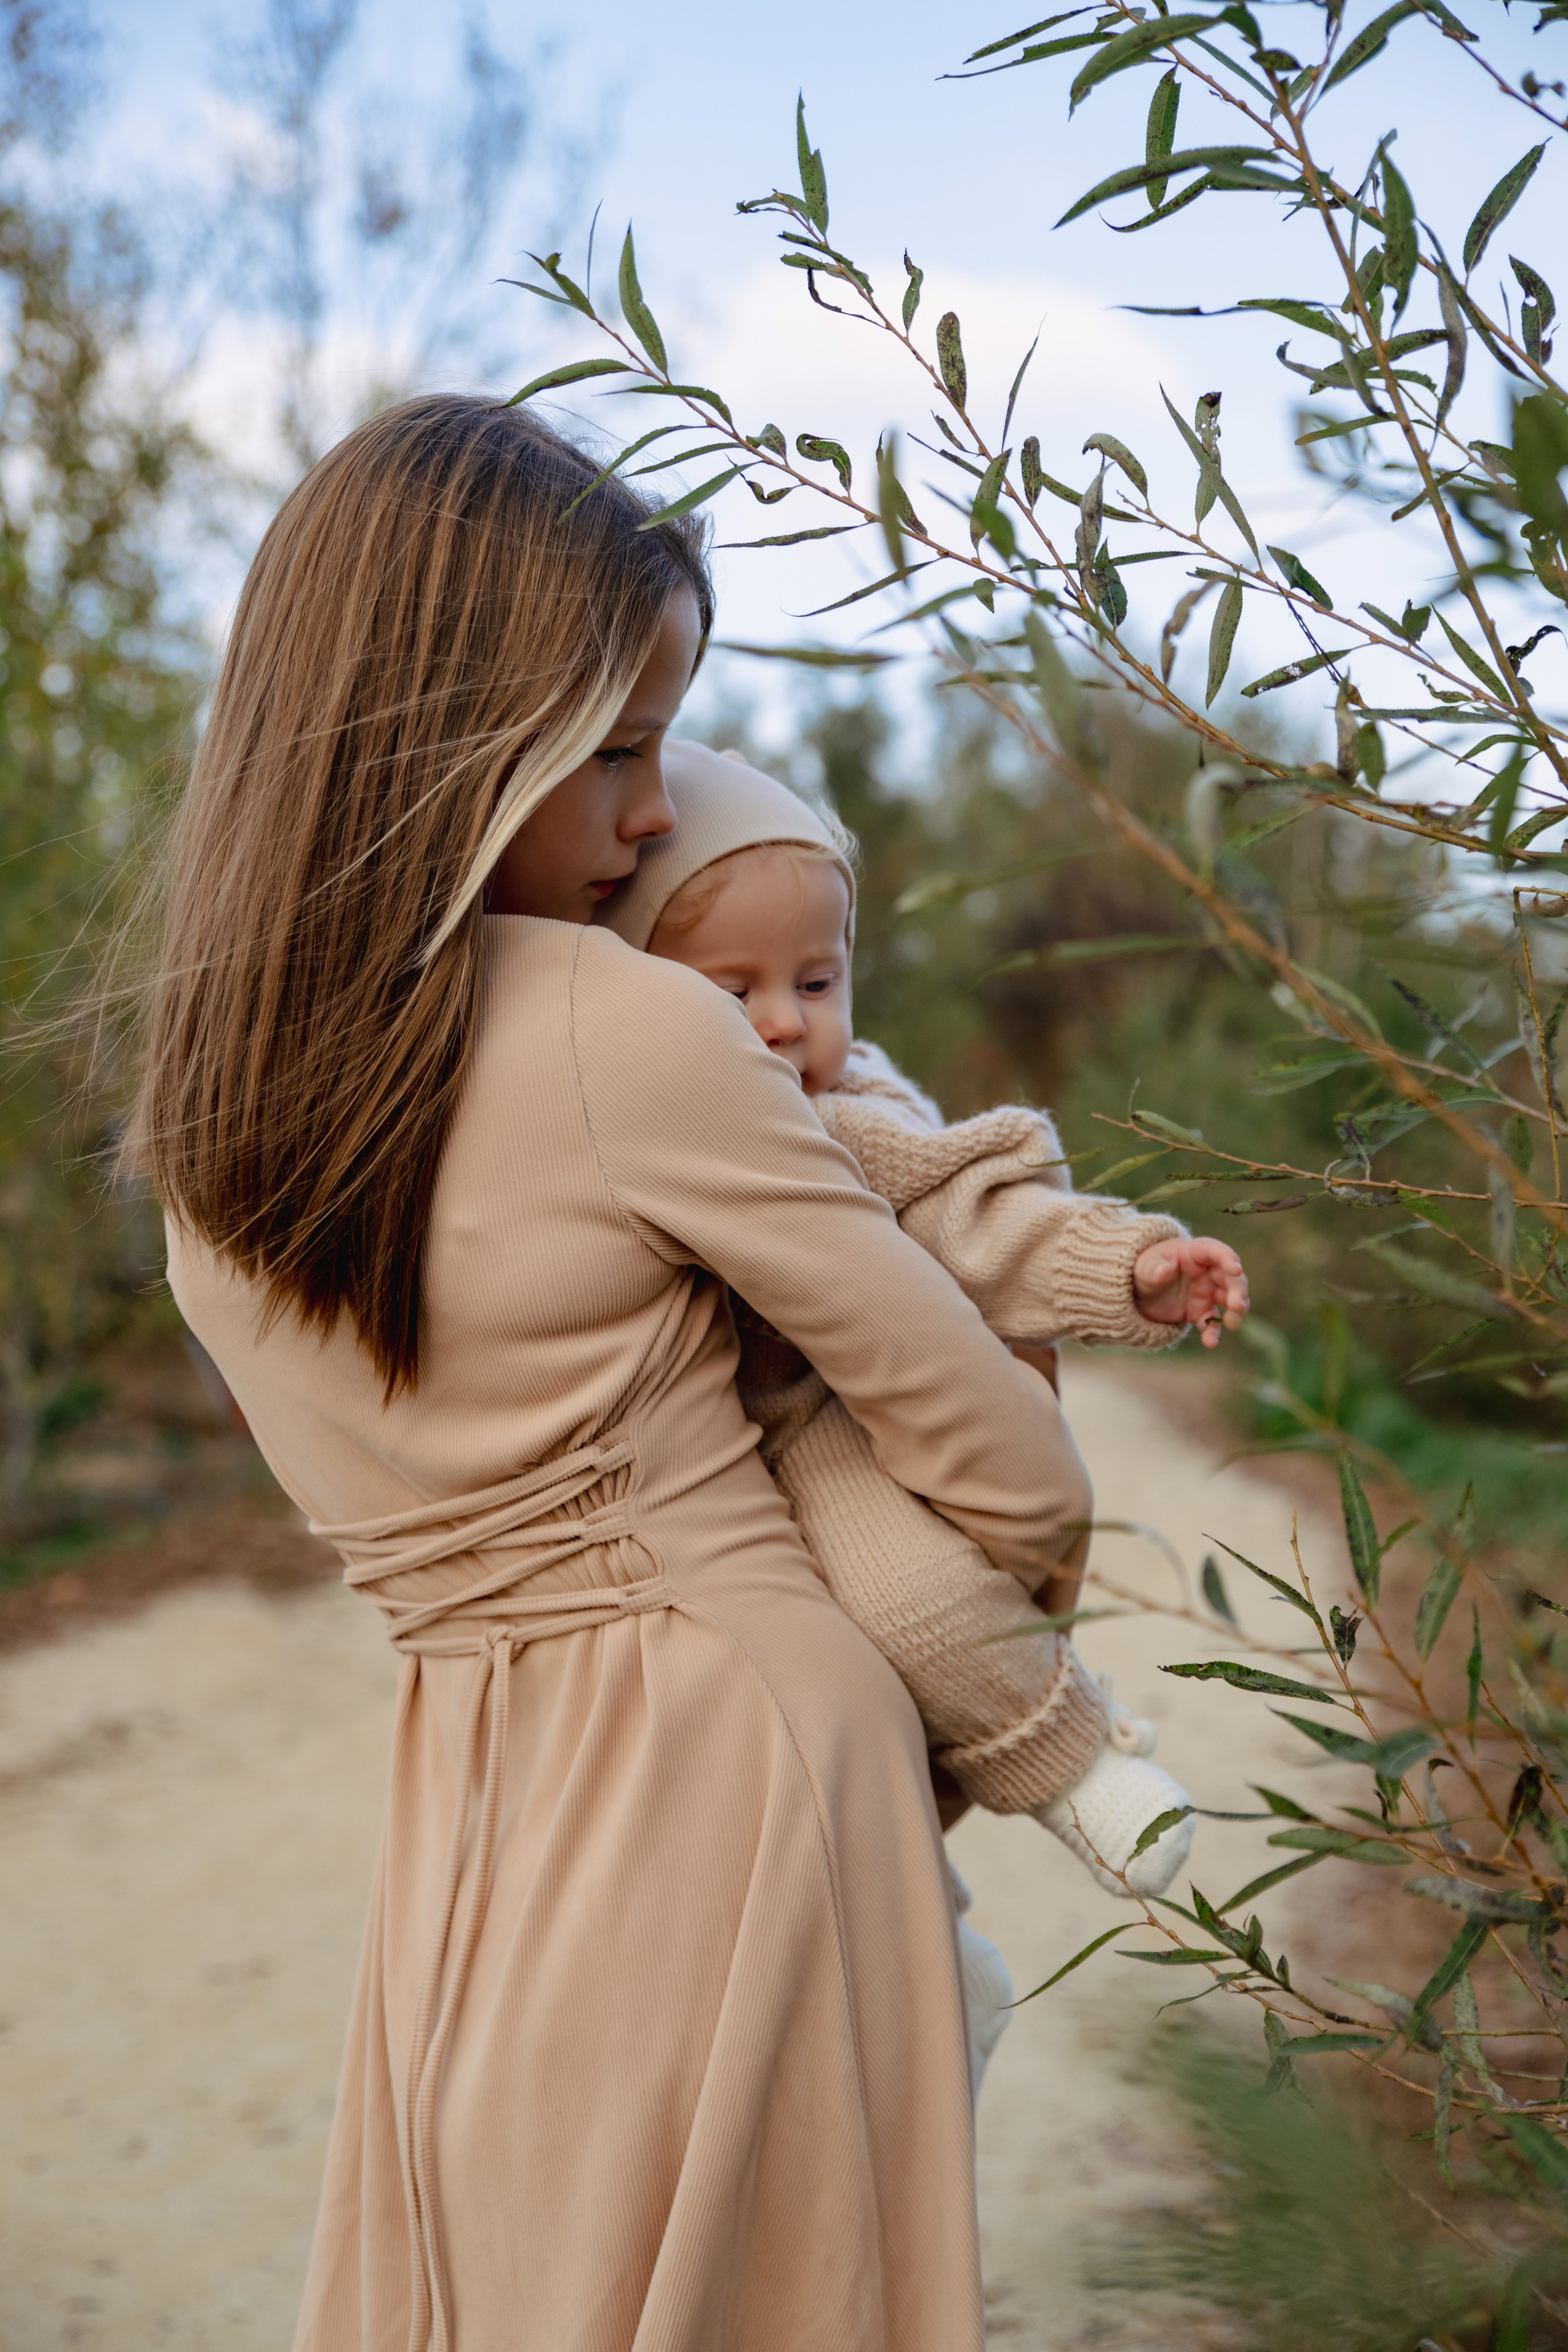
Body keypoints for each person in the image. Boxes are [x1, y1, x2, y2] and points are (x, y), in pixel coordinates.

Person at [127, 392, 1102, 2352]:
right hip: (748, 1765)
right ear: (460, 738)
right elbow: (1015, 1469)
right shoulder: (628, 1029)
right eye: (627, 746)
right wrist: (947, 1651)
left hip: (475, 1802)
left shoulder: (202, 1128)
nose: (660, 814)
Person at [598, 745, 1249, 1912]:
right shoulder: (622, 1122)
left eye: (815, 983)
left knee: (911, 1601)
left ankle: (1076, 1762)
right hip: (668, 1464)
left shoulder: (849, 1124)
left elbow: (981, 1217)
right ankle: (942, 1950)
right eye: (728, 988)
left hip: (821, 1426)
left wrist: (1134, 1265)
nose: (781, 1023)